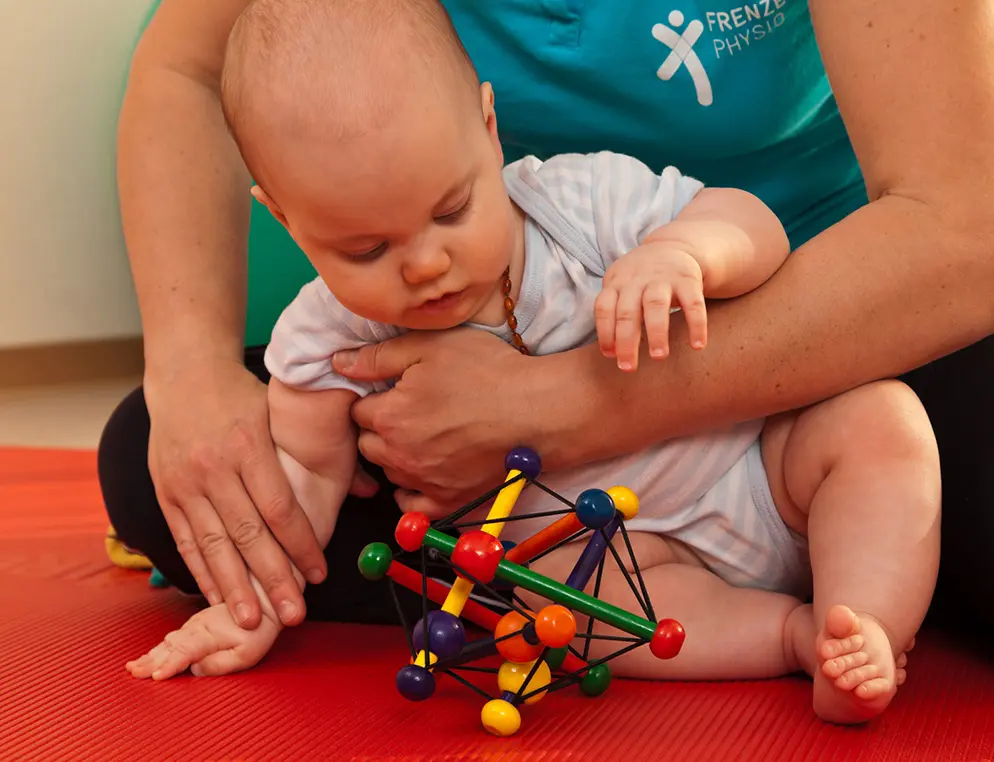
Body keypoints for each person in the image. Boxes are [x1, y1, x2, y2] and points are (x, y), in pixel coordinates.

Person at [123, 0, 939, 725]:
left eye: (452, 209)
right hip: (621, 555)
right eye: (365, 248)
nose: (424, 265)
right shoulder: (324, 338)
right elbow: (299, 489)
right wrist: (251, 599)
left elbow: (750, 221)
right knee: (574, 611)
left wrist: (686, 253)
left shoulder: (575, 202)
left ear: (489, 130)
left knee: (881, 424)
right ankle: (800, 641)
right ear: (286, 221)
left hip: (760, 460)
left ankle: (861, 614)